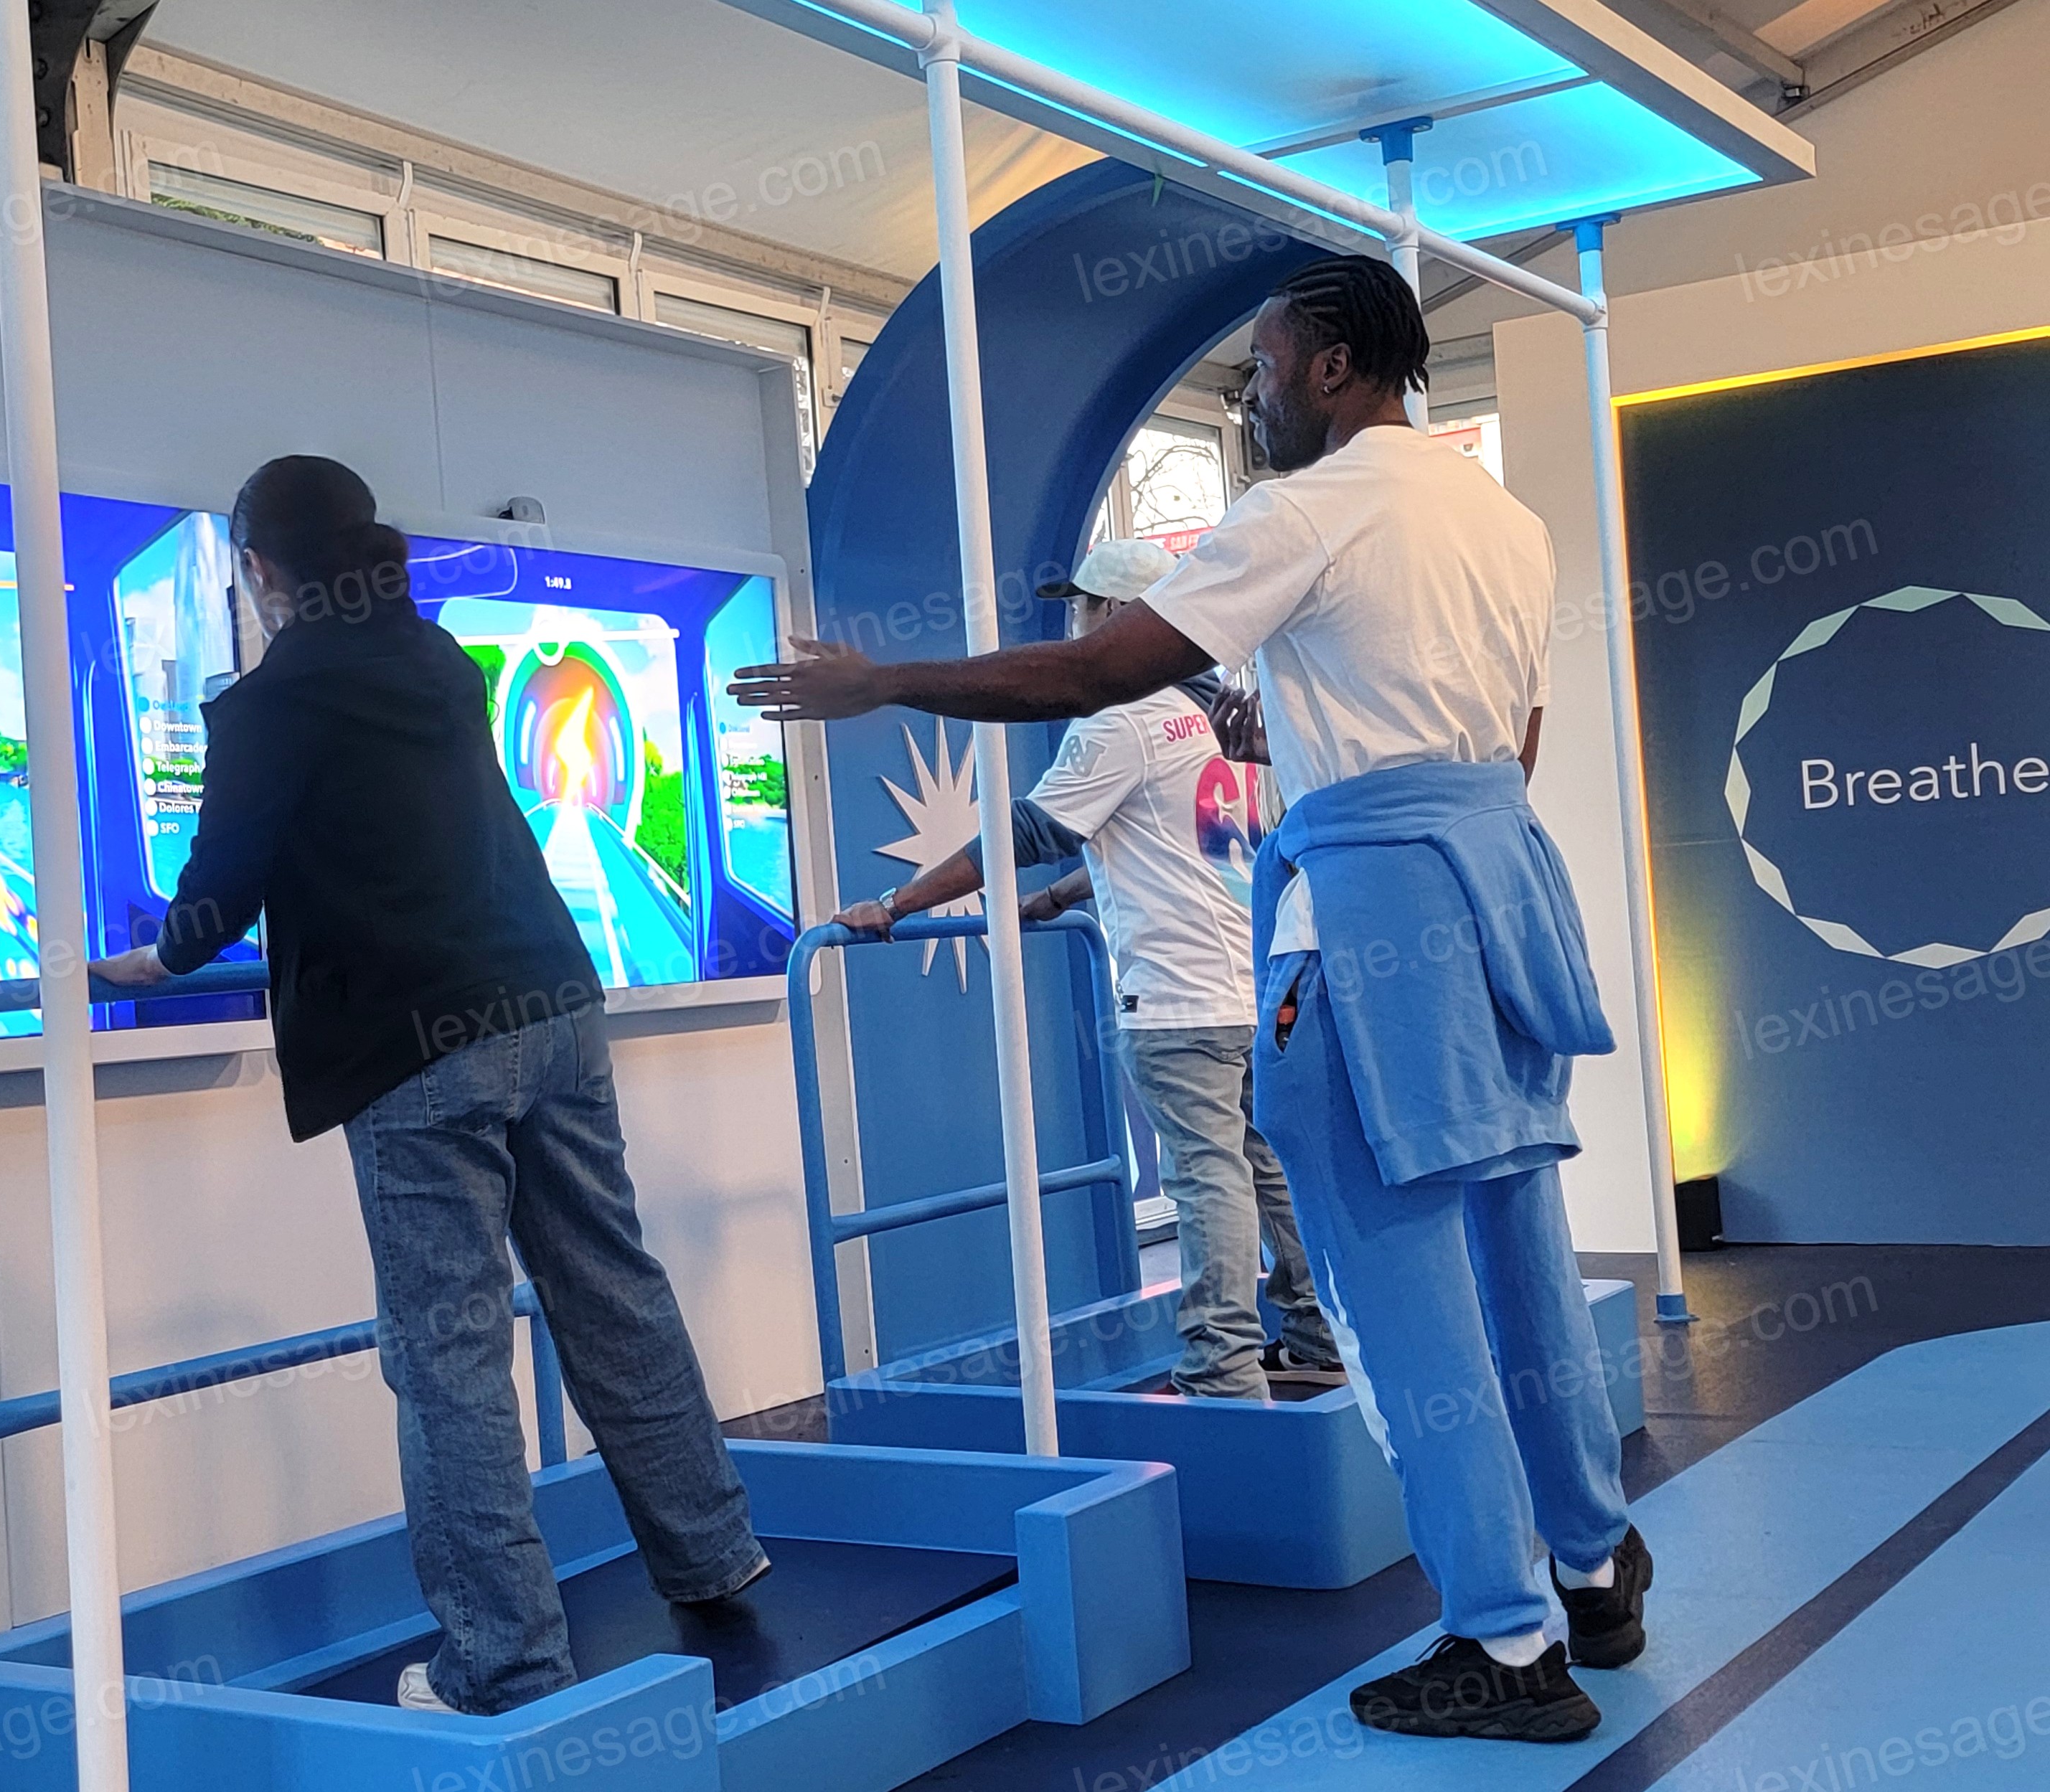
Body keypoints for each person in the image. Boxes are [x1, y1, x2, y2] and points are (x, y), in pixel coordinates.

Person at [731, 256, 1649, 1745]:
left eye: (1269, 368)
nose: (1259, 395)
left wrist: (888, 682)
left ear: (1336, 366)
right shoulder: (1505, 520)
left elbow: (1089, 672)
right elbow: (1506, 740)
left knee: (1399, 1297)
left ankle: (1506, 1640)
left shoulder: (1306, 509)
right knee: (1517, 1252)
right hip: (1500, 900)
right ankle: (1596, 1569)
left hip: (1366, 927)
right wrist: (1312, 738)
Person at [93, 456, 768, 1718]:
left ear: (258, 569)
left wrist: (153, 958)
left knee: (447, 1351)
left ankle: (502, 1664)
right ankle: (713, 1553)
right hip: (551, 1006)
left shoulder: (267, 704)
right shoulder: (441, 662)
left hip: (417, 1049)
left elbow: (217, 896)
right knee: (613, 1290)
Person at [829, 535, 1341, 1402]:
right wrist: (1064, 896)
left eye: (1085, 608)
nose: (1075, 624)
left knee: (1206, 1176)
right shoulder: (1224, 716)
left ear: (1120, 615)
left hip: (1177, 997)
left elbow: (1033, 828)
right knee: (1269, 1166)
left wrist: (898, 901)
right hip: (1254, 991)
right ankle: (1316, 1334)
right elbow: (1179, 839)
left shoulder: (1122, 720)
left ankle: (1221, 1368)